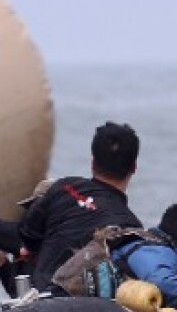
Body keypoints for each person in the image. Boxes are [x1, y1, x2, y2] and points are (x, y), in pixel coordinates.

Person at [19, 122, 143, 292]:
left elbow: (27, 234)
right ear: (134, 167)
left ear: (92, 162)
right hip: (78, 310)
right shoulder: (131, 228)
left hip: (35, 294)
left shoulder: (65, 186)